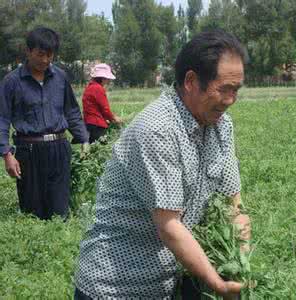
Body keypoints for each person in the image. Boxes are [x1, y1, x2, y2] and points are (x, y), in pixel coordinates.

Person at [74, 29, 251, 299]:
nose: (230, 100)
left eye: (236, 90)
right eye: (224, 89)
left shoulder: (221, 127)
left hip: (168, 282)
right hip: (117, 286)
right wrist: (218, 284)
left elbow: (234, 205)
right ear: (191, 81)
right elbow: (169, 226)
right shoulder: (158, 128)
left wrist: (241, 263)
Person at [0, 27, 89, 220]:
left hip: (59, 148)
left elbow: (71, 110)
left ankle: (59, 243)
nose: (45, 60)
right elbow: (2, 119)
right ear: (28, 51)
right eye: (40, 54)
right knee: (32, 212)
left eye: (50, 55)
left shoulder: (60, 77)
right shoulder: (12, 81)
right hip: (28, 150)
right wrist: (6, 154)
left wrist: (83, 139)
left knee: (60, 211)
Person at [82, 63, 122, 143]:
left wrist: (107, 119)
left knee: (92, 149)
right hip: (97, 125)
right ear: (102, 78)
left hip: (88, 124)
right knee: (101, 146)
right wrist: (114, 118)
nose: (108, 81)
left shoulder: (89, 87)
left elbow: (96, 108)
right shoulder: (98, 88)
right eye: (107, 78)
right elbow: (105, 109)